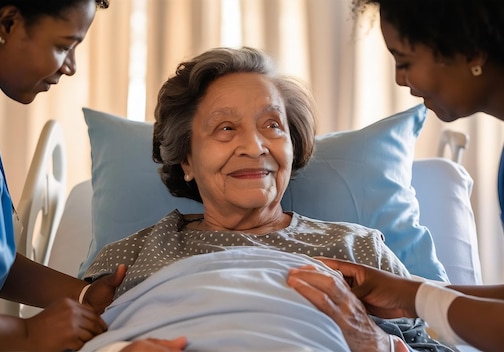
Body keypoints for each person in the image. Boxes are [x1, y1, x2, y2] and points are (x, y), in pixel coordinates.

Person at [80, 46, 444, 352]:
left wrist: (371, 341)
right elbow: (65, 337)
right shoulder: (129, 256)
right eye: (226, 128)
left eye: (272, 125)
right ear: (187, 159)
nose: (254, 147)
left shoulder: (358, 251)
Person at [287, 0, 504, 351]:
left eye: (405, 62)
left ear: (471, 50)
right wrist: (410, 293)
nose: (401, 80)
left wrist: (419, 299)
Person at [0, 1, 187, 351]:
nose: (71, 67)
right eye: (63, 46)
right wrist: (26, 334)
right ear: (7, 24)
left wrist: (83, 294)